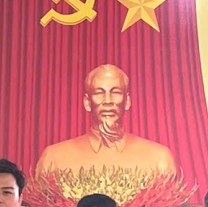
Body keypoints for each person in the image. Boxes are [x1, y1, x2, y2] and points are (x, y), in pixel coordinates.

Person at [35, 63, 179, 176]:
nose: (108, 101)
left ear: (127, 101)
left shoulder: (159, 158)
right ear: (87, 102)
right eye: (99, 93)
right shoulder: (54, 158)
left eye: (116, 92)